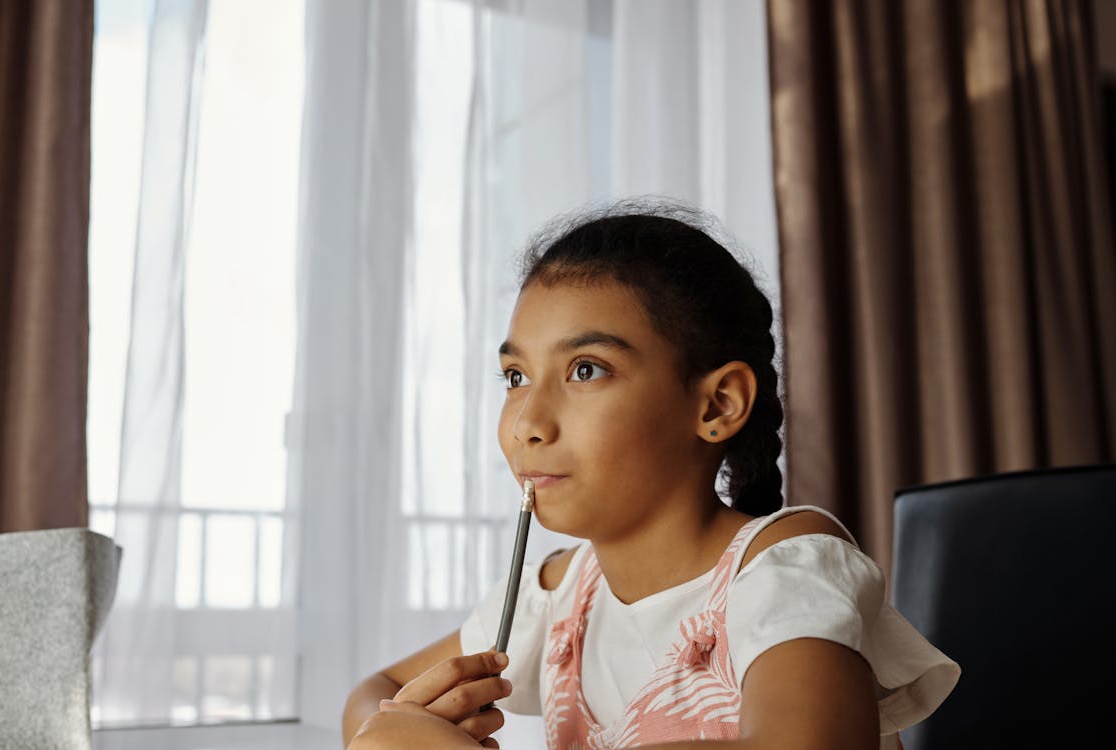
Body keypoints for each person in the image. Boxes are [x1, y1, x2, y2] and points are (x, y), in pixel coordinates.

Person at [342, 202, 960, 749]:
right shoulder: (558, 599)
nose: (528, 422)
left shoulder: (788, 572)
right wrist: (392, 731)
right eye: (515, 377)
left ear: (717, 405)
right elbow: (379, 692)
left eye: (586, 370)